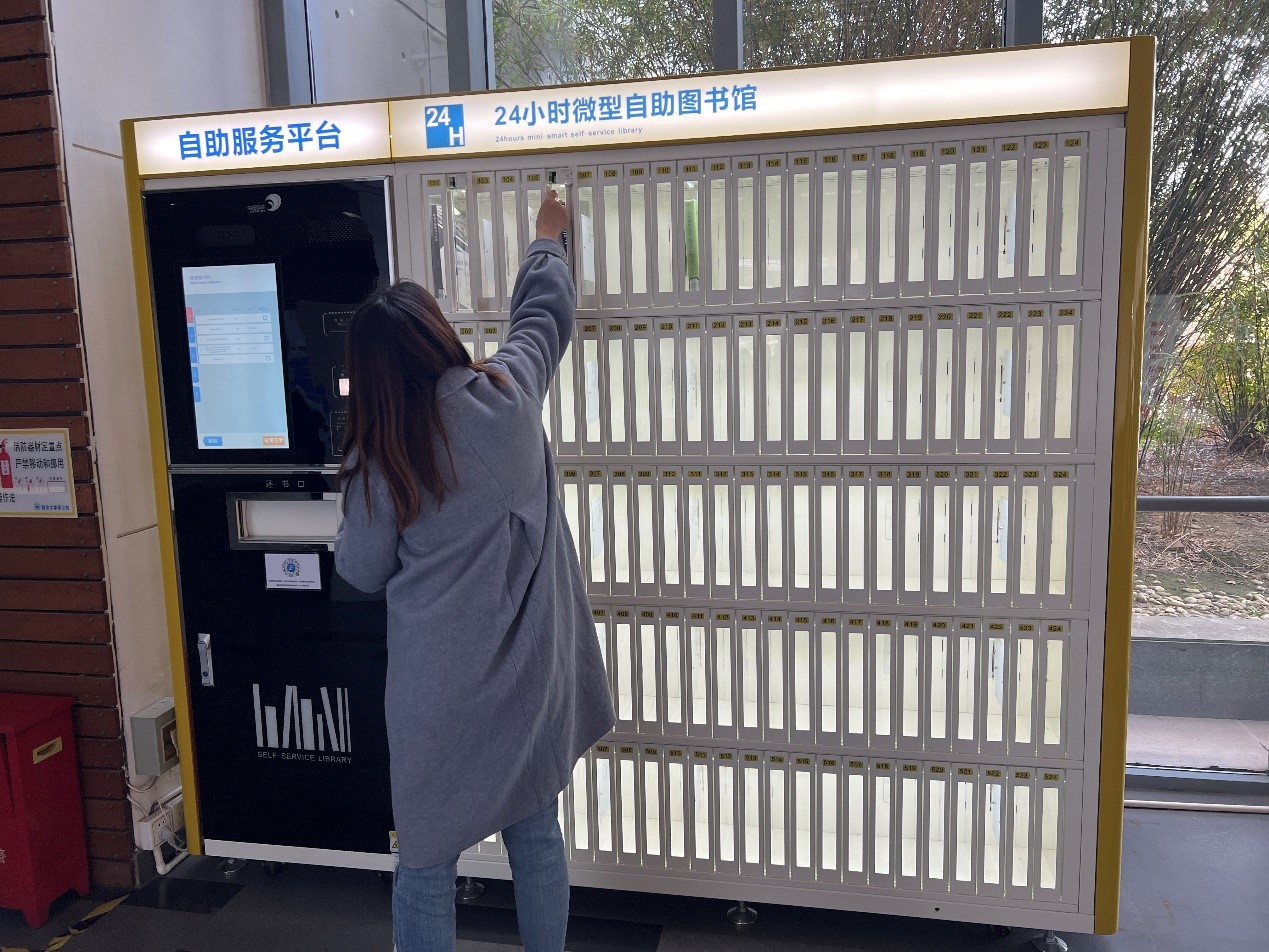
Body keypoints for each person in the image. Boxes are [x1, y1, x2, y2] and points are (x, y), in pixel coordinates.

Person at [334, 192, 615, 952]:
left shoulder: (380, 458)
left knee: (426, 862)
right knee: (536, 832)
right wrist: (547, 238)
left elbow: (361, 568)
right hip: (527, 678)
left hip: (438, 695)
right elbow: (542, 317)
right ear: (438, 337)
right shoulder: (507, 396)